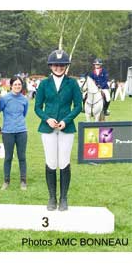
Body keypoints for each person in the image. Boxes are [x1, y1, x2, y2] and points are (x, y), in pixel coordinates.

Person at [35, 49, 82, 211]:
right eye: (56, 65)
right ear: (51, 66)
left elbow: (78, 106)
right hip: (47, 128)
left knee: (64, 162)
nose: (59, 67)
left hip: (66, 128)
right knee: (51, 162)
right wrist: (47, 119)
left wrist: (65, 120)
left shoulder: (72, 83)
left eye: (62, 65)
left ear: (66, 66)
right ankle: (52, 198)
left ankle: (63, 198)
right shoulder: (43, 84)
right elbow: (37, 107)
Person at [0, 77, 29, 191]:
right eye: (15, 84)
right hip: (7, 132)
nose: (17, 86)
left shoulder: (24, 100)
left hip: (22, 132)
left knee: (22, 157)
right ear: (11, 85)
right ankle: (6, 181)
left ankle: (23, 181)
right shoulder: (4, 99)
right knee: (8, 158)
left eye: (19, 84)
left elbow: (24, 113)